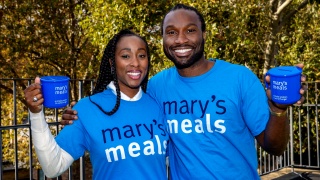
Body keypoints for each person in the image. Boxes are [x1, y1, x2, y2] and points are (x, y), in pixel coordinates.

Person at [61, 4, 306, 179]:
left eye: (190, 30)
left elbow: (275, 147)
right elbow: (122, 110)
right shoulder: (156, 86)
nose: (180, 40)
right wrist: (79, 113)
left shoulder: (239, 78)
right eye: (171, 32)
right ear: (163, 41)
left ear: (203, 35)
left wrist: (277, 108)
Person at [24, 29, 169, 180]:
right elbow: (53, 167)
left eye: (141, 55)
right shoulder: (87, 109)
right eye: (126, 56)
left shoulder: (159, 106)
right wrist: (36, 114)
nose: (136, 63)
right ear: (112, 63)